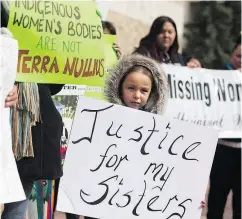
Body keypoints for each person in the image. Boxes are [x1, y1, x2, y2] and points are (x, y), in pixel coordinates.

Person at [1, 1, 64, 219]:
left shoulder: (36, 16)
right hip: (9, 120)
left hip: (25, 134)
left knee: (17, 206)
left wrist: (26, 85)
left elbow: (55, 83)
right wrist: (8, 80)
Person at [207, 35, 241, 219]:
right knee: (217, 201)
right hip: (222, 150)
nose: (241, 61)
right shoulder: (218, 76)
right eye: (239, 56)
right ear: (231, 56)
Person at [134, 16, 201, 67]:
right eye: (162, 32)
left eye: (170, 32)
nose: (166, 35)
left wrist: (194, 63)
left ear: (175, 35)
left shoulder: (176, 57)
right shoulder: (143, 55)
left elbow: (187, 60)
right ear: (154, 34)